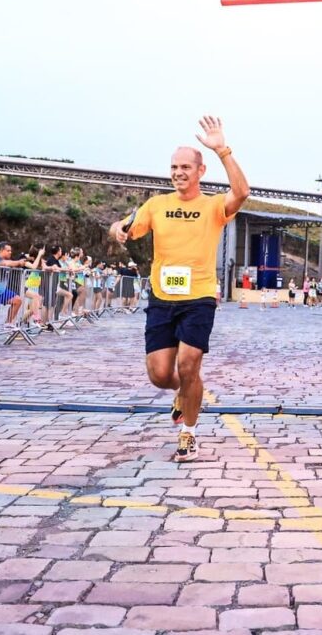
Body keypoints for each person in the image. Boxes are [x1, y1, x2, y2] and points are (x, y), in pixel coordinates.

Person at [109, 116, 248, 463]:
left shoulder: (213, 206)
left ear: (200, 171)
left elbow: (242, 192)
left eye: (186, 166)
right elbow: (125, 225)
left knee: (189, 365)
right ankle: (183, 395)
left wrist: (222, 150)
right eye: (174, 167)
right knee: (160, 375)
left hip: (198, 297)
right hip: (162, 298)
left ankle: (189, 433)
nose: (178, 172)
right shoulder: (156, 205)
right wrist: (117, 230)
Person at [0, 241, 33, 334]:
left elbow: (12, 263)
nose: (10, 252)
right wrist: (18, 262)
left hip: (1, 291)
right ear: (1, 250)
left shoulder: (7, 260)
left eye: (11, 251)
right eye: (8, 251)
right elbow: (6, 263)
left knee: (17, 300)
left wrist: (24, 260)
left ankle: (8, 324)